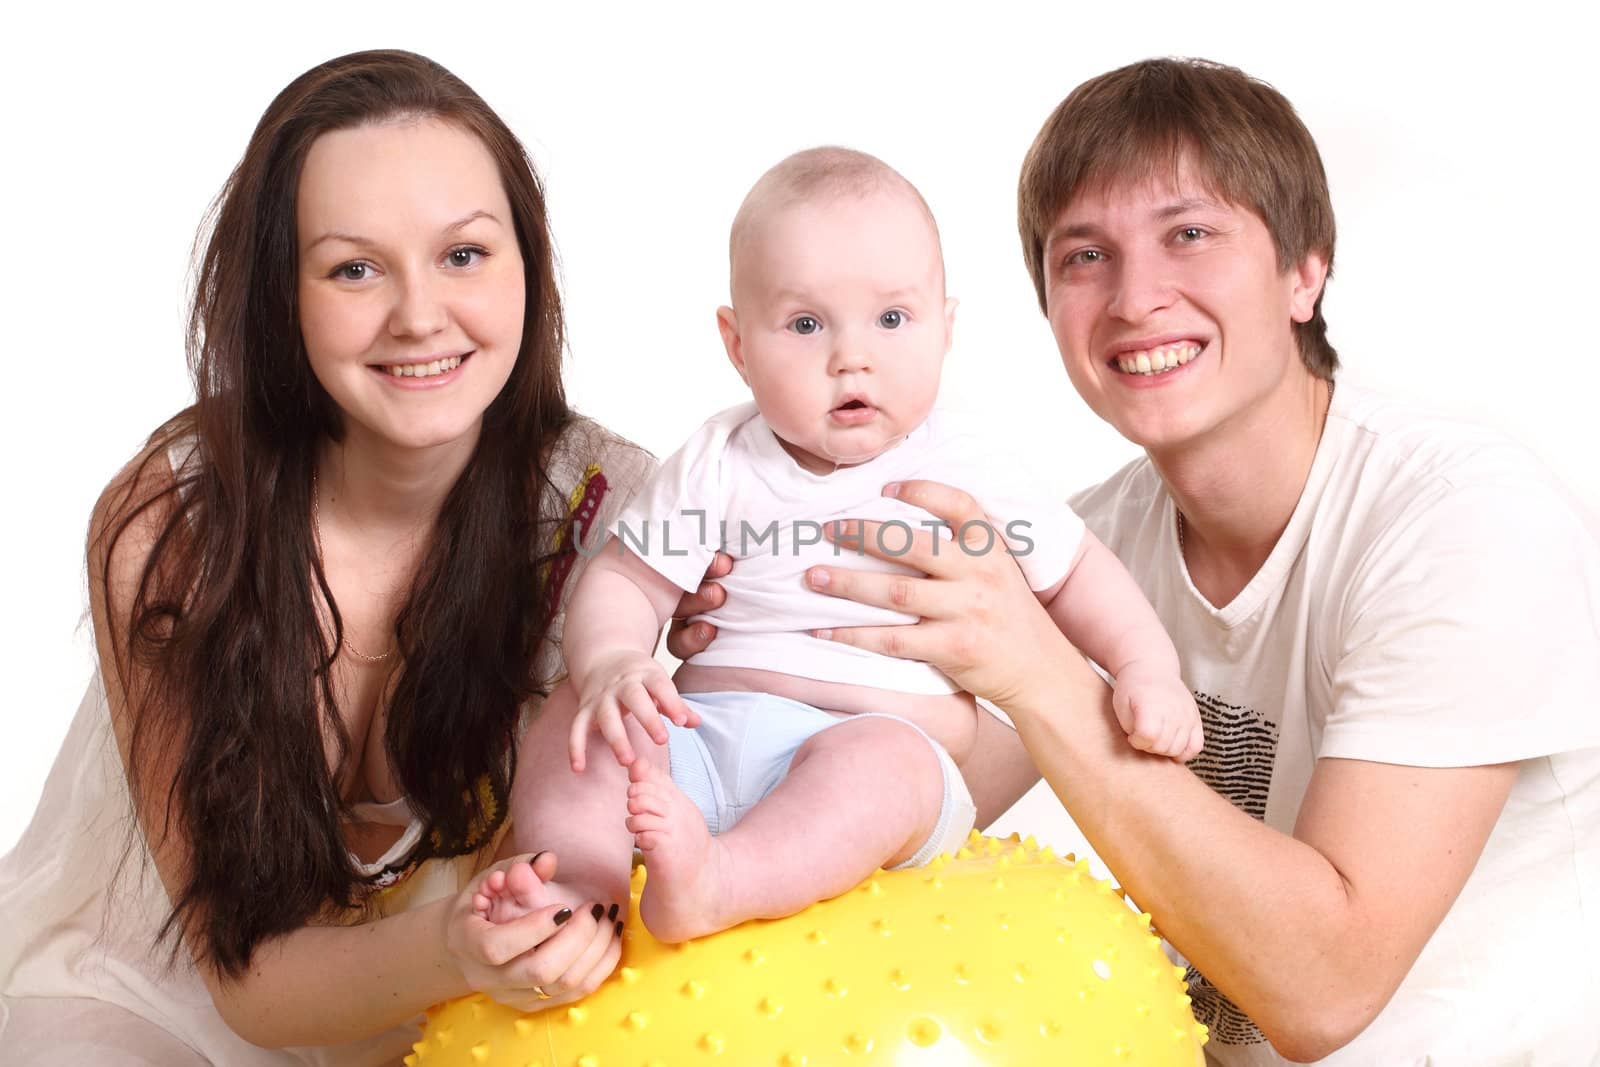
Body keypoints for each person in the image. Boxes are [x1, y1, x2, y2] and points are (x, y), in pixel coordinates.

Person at [671, 60, 1600, 1064]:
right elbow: (903, 807)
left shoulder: (1461, 517)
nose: (1135, 297)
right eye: (1084, 257)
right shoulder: (1086, 544)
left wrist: (1036, 669)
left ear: (1304, 270)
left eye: (1188, 233)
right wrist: (754, 665)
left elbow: (1324, 987)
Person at [0, 50, 664, 1065]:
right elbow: (248, 984)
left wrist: (1006, 669)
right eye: (355, 267)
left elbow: (854, 762)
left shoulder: (612, 513)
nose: (419, 316)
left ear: (528, 264)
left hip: (458, 1017)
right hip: (159, 996)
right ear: (283, 295)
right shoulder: (177, 522)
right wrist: (455, 944)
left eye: (465, 254)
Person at [479, 147, 1202, 944]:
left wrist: (1146, 667)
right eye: (805, 323)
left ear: (946, 329)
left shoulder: (967, 467)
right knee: (576, 713)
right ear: (737, 344)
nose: (851, 355)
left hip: (867, 742)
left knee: (887, 771)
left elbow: (1075, 574)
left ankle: (723, 880)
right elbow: (626, 579)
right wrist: (616, 660)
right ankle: (581, 883)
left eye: (892, 320)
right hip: (700, 736)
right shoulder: (720, 459)